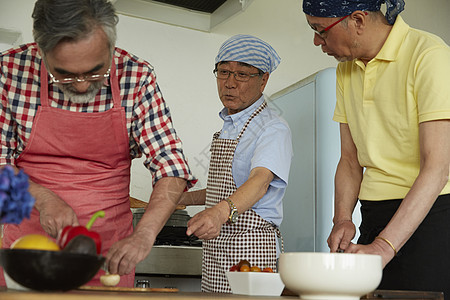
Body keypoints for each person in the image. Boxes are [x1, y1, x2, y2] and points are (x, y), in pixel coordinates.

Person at [0, 0, 195, 287]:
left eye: (95, 71)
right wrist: (42, 198)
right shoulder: (9, 72)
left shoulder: (136, 76)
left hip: (109, 258)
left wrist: (144, 235)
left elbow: (171, 168)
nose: (81, 85)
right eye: (63, 74)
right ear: (41, 51)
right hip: (28, 254)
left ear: (110, 47)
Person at [303, 0, 450, 296]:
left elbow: (438, 167)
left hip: (432, 215)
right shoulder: (346, 70)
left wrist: (384, 246)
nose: (316, 41)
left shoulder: (430, 55)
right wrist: (343, 218)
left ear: (357, 20)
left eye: (320, 30)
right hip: (374, 215)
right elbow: (349, 160)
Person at [179, 34, 293, 293]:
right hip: (217, 251)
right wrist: (181, 198)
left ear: (263, 79)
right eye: (223, 72)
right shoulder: (228, 127)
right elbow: (228, 191)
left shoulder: (272, 127)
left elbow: (260, 182)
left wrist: (218, 213)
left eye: (242, 74)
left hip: (250, 250)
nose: (229, 83)